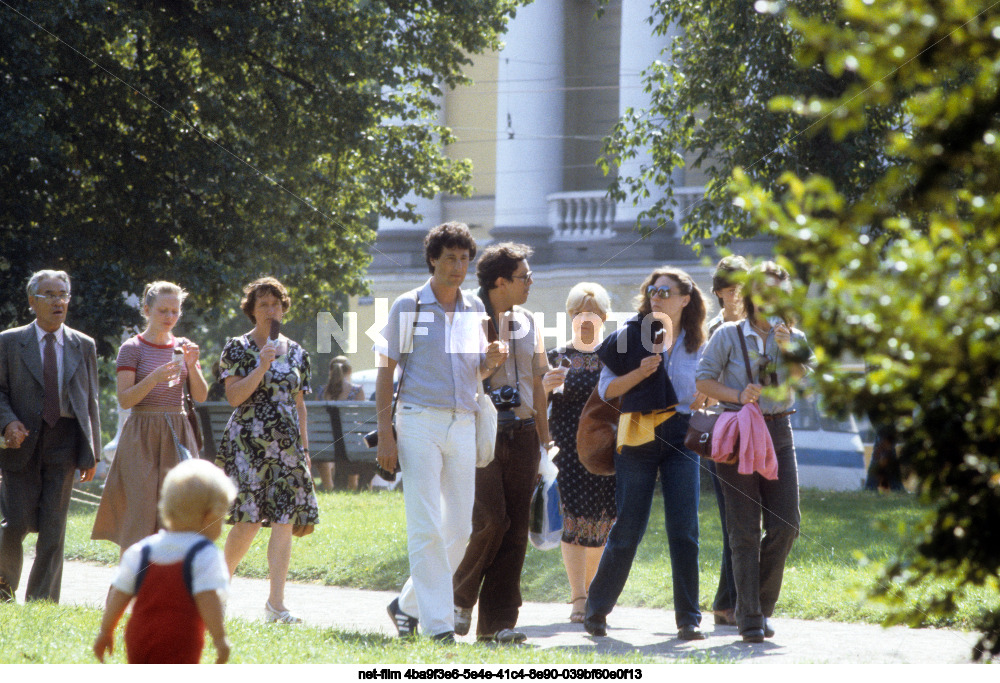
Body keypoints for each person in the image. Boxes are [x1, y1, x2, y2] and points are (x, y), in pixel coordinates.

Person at [375, 222, 504, 643]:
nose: (458, 266)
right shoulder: (408, 306)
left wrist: (490, 362)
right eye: (450, 258)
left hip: (462, 421)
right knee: (427, 525)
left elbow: (473, 373)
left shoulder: (474, 309)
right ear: (433, 259)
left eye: (465, 259)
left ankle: (407, 605)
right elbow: (384, 372)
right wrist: (386, 433)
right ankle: (438, 627)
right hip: (416, 421)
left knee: (461, 530)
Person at [584, 267, 709, 641]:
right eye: (653, 290)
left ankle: (688, 619)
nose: (658, 296)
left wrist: (708, 394)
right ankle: (596, 610)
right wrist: (639, 373)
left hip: (682, 435)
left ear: (685, 299)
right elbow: (608, 391)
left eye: (666, 291)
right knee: (629, 527)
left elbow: (708, 389)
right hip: (638, 432)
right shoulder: (629, 336)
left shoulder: (698, 341)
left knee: (684, 529)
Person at [695, 261, 812, 643]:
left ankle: (759, 606)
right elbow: (703, 380)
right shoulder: (728, 335)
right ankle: (749, 618)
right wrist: (736, 395)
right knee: (744, 529)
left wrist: (790, 352)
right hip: (739, 432)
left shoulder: (794, 337)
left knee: (786, 524)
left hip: (779, 431)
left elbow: (805, 380)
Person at [452, 242, 553, 644]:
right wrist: (488, 366)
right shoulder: (467, 318)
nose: (530, 283)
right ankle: (458, 595)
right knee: (491, 519)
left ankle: (497, 626)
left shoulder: (529, 320)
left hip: (525, 433)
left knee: (514, 531)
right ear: (499, 282)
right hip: (481, 431)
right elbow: (457, 379)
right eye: (524, 277)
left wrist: (546, 441)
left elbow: (538, 382)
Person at [216, 276, 318, 624]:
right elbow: (233, 397)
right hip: (248, 445)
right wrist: (261, 365)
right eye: (263, 305)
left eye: (276, 304)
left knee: (284, 521)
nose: (271, 310)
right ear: (252, 311)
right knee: (246, 520)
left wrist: (304, 449)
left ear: (283, 308)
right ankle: (217, 590)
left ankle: (276, 604)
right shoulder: (237, 348)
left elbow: (299, 405)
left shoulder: (299, 352)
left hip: (287, 448)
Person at [0, 270, 101, 603]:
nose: (58, 301)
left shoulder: (83, 345)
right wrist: (7, 423)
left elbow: (91, 400)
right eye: (49, 294)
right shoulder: (9, 342)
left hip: (65, 440)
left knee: (54, 529)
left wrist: (92, 453)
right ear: (32, 301)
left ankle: (42, 600)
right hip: (21, 442)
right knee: (14, 523)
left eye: (63, 294)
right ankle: (3, 589)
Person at [92, 281, 208, 553]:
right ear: (147, 310)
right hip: (142, 432)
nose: (169, 317)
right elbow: (126, 399)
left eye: (175, 311)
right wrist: (154, 378)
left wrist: (192, 366)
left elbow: (201, 396)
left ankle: (173, 584)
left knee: (179, 509)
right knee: (140, 512)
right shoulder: (132, 348)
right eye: (163, 311)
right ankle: (129, 584)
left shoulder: (184, 347)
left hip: (177, 431)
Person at [93, 459, 236, 664]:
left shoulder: (142, 550)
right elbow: (208, 598)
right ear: (210, 517)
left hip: (138, 637)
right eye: (222, 519)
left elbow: (119, 593)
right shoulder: (204, 554)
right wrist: (220, 639)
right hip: (182, 640)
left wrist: (105, 631)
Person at [541, 282, 615, 623]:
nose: (586, 319)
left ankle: (594, 593)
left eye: (594, 313)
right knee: (572, 523)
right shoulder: (556, 358)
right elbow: (536, 408)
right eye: (579, 312)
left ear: (604, 317)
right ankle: (578, 597)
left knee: (600, 524)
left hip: (604, 453)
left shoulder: (614, 359)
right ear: (570, 316)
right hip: (566, 452)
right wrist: (544, 389)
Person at [704, 255, 750, 627]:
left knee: (747, 519)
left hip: (759, 431)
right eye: (732, 289)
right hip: (724, 431)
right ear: (719, 293)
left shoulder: (759, 329)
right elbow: (703, 383)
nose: (739, 296)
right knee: (733, 519)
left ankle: (729, 601)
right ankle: (728, 603)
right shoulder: (714, 331)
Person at [318, 355, 366, 491]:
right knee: (353, 437)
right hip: (349, 444)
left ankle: (328, 486)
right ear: (349, 371)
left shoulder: (322, 392)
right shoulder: (356, 391)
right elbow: (362, 422)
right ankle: (352, 486)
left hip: (323, 444)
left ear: (330, 371)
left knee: (325, 439)